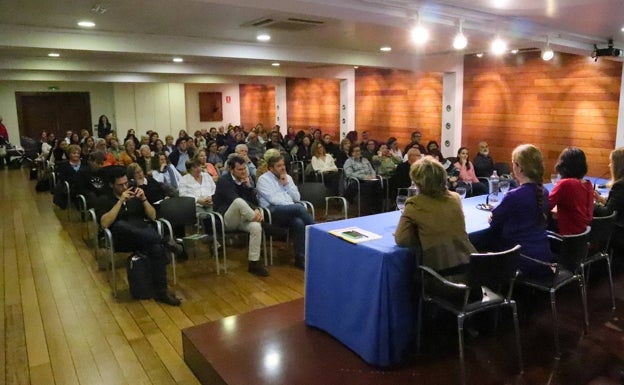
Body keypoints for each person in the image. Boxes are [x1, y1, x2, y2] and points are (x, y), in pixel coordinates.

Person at [95, 167, 180, 306]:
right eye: (120, 185)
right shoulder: (104, 199)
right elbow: (104, 223)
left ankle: (162, 292)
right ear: (111, 185)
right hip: (122, 239)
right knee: (121, 225)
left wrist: (144, 199)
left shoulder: (135, 195)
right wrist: (120, 202)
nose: (124, 187)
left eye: (126, 183)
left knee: (157, 249)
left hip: (144, 236)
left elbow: (153, 216)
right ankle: (164, 241)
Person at [395, 157, 476, 274]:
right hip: (469, 270)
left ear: (419, 183)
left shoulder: (414, 203)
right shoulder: (455, 198)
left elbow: (401, 239)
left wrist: (422, 234)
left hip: (442, 276)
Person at [486, 144, 552, 274]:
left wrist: (491, 217)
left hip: (522, 258)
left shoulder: (513, 196)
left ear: (519, 168)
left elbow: (494, 222)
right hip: (543, 254)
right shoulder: (543, 192)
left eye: (513, 164)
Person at [213, 156, 269, 277]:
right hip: (225, 219)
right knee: (238, 202)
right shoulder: (224, 181)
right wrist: (255, 211)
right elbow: (233, 198)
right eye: (240, 169)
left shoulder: (244, 180)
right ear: (231, 170)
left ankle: (254, 263)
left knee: (255, 227)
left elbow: (254, 202)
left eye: (244, 169)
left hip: (243, 217)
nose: (243, 172)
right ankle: (266, 225)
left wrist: (249, 188)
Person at [257, 155, 314, 269]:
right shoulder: (263, 179)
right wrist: (291, 205)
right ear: (271, 168)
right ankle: (318, 232)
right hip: (271, 212)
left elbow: (297, 197)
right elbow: (273, 200)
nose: (283, 168)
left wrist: (286, 184)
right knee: (299, 208)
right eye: (279, 166)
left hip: (289, 211)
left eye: (283, 165)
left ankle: (300, 258)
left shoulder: (287, 177)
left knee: (298, 222)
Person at [548, 147, 593, 235]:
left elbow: (546, 205)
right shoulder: (588, 184)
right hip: (582, 235)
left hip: (567, 234)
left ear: (563, 165)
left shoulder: (565, 184)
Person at [594, 148, 624, 252]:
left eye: (611, 162)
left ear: (618, 165)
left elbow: (608, 213)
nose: (609, 165)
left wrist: (592, 204)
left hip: (618, 233)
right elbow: (617, 205)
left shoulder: (619, 185)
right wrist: (600, 199)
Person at [343, 145, 383, 215]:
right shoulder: (348, 161)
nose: (358, 153)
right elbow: (349, 174)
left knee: (378, 183)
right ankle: (366, 212)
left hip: (369, 180)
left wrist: (372, 177)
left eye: (359, 151)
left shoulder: (365, 160)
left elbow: (372, 170)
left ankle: (377, 210)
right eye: (355, 151)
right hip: (357, 181)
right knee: (368, 186)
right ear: (352, 153)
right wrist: (364, 177)